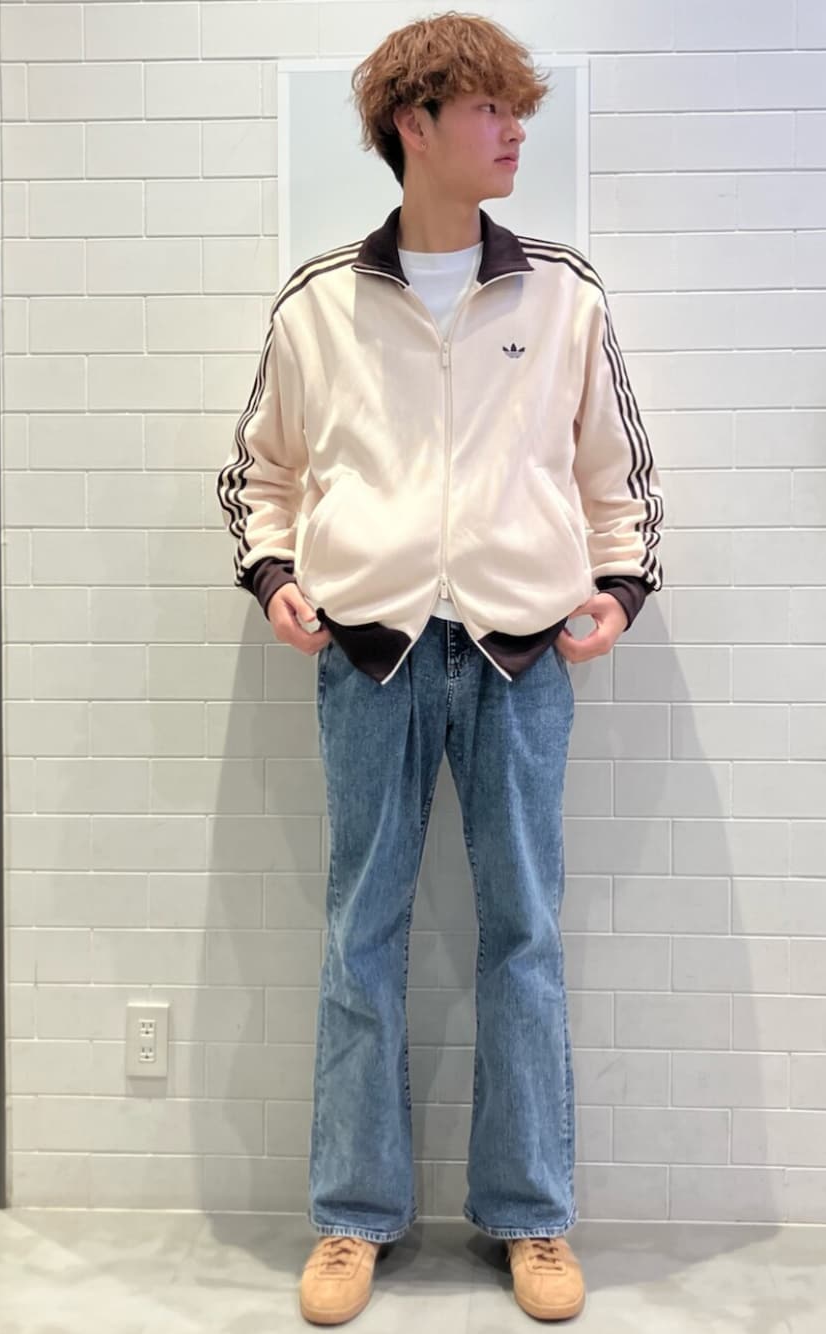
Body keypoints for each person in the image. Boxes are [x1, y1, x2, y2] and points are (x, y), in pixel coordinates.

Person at [216, 11, 663, 1325]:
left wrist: (619, 590)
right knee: (361, 932)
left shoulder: (563, 293)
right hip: (371, 654)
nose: (515, 130)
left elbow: (618, 477)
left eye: (518, 108)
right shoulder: (319, 304)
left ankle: (532, 1216)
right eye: (489, 108)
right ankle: (352, 1218)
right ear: (413, 125)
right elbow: (259, 472)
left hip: (523, 654)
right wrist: (276, 576)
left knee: (525, 934)